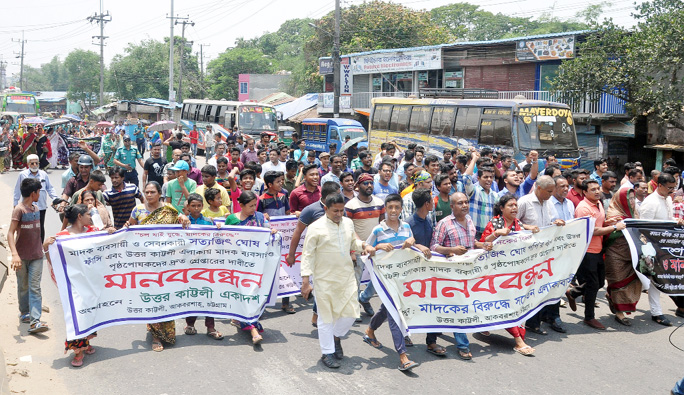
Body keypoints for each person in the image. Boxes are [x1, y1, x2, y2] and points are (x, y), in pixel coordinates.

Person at [300, 192, 376, 368]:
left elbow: (352, 243)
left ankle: (335, 337)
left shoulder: (348, 223)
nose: (339, 214)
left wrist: (364, 245)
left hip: (346, 277)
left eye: (342, 211)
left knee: (351, 313)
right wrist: (306, 281)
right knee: (325, 318)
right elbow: (307, 255)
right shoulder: (316, 227)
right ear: (326, 208)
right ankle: (327, 353)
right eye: (335, 211)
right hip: (324, 279)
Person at [363, 194, 429, 371]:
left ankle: (370, 331)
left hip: (403, 279)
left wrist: (414, 242)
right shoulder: (378, 230)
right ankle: (402, 355)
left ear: (401, 209)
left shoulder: (406, 227)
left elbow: (411, 246)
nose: (393, 211)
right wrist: (377, 247)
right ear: (385, 208)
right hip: (386, 279)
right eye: (390, 207)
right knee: (395, 313)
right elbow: (366, 250)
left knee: (386, 308)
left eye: (396, 208)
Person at [43, 204, 114, 366]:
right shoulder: (61, 237)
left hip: (90, 284)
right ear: (80, 217)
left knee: (89, 313)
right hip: (74, 286)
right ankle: (78, 351)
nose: (91, 217)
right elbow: (54, 262)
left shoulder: (92, 233)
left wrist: (110, 233)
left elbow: (105, 245)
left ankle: (86, 343)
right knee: (77, 315)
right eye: (88, 214)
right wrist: (46, 247)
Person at [126, 182, 191, 351]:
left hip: (168, 262)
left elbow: (183, 221)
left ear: (159, 193)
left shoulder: (169, 209)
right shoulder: (138, 210)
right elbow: (129, 228)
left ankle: (167, 333)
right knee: (152, 296)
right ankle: (155, 336)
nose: (148, 195)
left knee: (166, 296)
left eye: (152, 192)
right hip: (146, 263)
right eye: (146, 192)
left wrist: (183, 217)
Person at [430, 192, 493, 360]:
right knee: (458, 307)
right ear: (452, 206)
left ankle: (431, 339)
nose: (464, 205)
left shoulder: (470, 220)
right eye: (460, 203)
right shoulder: (444, 224)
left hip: (469, 273)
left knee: (450, 307)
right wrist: (451, 250)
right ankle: (463, 345)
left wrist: (483, 245)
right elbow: (434, 247)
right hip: (450, 274)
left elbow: (471, 244)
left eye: (466, 202)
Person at [480, 193, 539, 356]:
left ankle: (487, 325)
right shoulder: (495, 223)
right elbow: (482, 243)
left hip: (515, 273)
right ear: (501, 208)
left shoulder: (519, 224)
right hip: (497, 273)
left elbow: (524, 229)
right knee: (505, 303)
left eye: (515, 205)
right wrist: (496, 233)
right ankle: (518, 341)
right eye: (510, 205)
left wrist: (532, 229)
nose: (514, 208)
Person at [568, 179, 626, 330]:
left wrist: (609, 222)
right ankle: (589, 317)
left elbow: (600, 223)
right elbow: (592, 230)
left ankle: (573, 292)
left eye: (597, 188)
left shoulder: (598, 203)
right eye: (592, 189)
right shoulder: (583, 208)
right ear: (585, 192)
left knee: (600, 282)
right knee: (593, 284)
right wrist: (614, 227)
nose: (596, 191)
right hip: (587, 251)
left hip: (598, 249)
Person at [224, 191, 278, 344]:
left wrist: (271, 231)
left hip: (257, 265)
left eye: (255, 205)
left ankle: (239, 318)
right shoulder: (232, 219)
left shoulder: (260, 217)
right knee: (243, 294)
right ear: (240, 205)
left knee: (253, 294)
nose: (254, 208)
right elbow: (226, 239)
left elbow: (267, 229)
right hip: (238, 264)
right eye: (250, 206)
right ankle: (253, 329)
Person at [285, 181, 341, 326]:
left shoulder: (339, 209)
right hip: (317, 256)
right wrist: (291, 255)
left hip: (335, 255)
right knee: (323, 286)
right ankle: (319, 316)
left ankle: (319, 314)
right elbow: (298, 232)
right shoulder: (310, 210)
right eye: (337, 195)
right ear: (327, 197)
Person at [517, 176, 566, 334]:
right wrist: (527, 227)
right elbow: (513, 223)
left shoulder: (548, 202)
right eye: (549, 191)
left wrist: (555, 222)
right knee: (530, 288)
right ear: (538, 188)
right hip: (528, 253)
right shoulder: (524, 202)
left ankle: (539, 320)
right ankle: (530, 322)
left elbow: (549, 221)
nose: (551, 194)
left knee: (542, 287)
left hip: (545, 252)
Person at [638, 173, 684, 325]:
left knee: (667, 278)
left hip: (667, 246)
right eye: (669, 188)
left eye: (674, 187)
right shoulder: (650, 202)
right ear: (660, 185)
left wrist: (675, 221)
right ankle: (656, 313)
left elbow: (668, 220)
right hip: (652, 247)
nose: (672, 191)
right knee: (654, 281)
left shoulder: (668, 198)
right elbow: (644, 227)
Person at [8, 178, 49, 334]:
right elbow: (10, 233)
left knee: (35, 287)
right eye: (39, 192)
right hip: (22, 256)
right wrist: (14, 255)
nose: (40, 194)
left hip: (37, 256)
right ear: (34, 193)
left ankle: (35, 321)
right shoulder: (19, 210)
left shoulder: (36, 208)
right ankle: (24, 312)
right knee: (23, 286)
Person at [182, 193, 224, 340]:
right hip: (189, 265)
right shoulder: (182, 222)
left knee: (209, 295)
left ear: (202, 206)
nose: (196, 208)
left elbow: (218, 238)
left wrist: (218, 226)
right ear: (187, 206)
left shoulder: (208, 222)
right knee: (192, 294)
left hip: (207, 265)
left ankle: (210, 327)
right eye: (193, 205)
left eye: (199, 205)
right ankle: (190, 324)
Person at [345, 173, 386, 318]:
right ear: (358, 186)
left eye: (371, 183)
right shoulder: (350, 206)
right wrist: (356, 248)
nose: (369, 185)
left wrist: (381, 245)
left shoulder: (380, 203)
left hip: (375, 249)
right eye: (365, 183)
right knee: (355, 282)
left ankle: (365, 298)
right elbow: (349, 229)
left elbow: (382, 226)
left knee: (379, 279)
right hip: (357, 249)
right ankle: (354, 310)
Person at [603, 188, 642, 326]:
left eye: (633, 198)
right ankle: (619, 313)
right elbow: (607, 234)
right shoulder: (613, 214)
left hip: (631, 255)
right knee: (617, 282)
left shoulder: (635, 213)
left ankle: (615, 301)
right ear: (621, 200)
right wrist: (616, 227)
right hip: (615, 254)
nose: (632, 202)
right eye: (629, 199)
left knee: (632, 282)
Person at [13, 154, 59, 242]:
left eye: (36, 163)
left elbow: (50, 188)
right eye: (32, 163)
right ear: (28, 164)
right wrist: (15, 204)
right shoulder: (22, 175)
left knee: (40, 227)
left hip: (41, 207)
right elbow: (17, 190)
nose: (34, 165)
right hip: (27, 207)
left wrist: (55, 198)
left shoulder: (43, 174)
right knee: (27, 226)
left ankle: (40, 247)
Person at [464, 165, 498, 238]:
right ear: (478, 178)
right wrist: (474, 159)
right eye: (485, 177)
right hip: (474, 233)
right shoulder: (474, 191)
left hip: (490, 234)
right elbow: (466, 177)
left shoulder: (495, 196)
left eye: (491, 177)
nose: (489, 179)